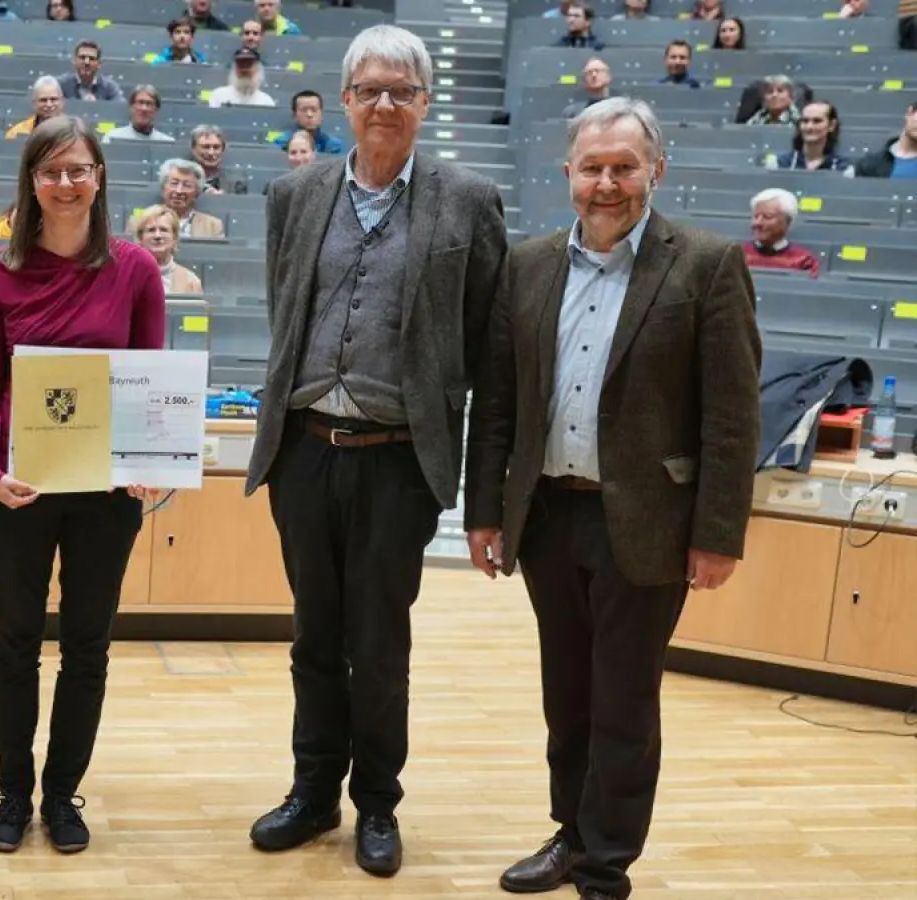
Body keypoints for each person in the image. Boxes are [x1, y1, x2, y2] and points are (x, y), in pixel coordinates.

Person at [463, 97, 761, 900]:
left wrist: (719, 531)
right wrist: (484, 511)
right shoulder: (525, 266)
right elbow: (496, 404)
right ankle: (571, 832)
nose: (607, 183)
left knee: (624, 701)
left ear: (655, 170)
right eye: (592, 168)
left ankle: (606, 866)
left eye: (624, 167)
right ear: (567, 174)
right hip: (550, 516)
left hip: (649, 523)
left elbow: (733, 416)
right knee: (568, 697)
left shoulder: (705, 264)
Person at [244, 24, 506, 878]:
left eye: (402, 90)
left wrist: (483, 491)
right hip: (306, 450)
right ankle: (312, 791)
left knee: (379, 642)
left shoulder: (468, 200)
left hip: (399, 458)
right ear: (345, 101)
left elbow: (489, 352)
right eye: (370, 90)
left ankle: (378, 805)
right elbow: (289, 315)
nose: (385, 103)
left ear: (424, 103)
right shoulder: (297, 195)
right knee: (313, 637)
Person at [0, 114, 165, 856]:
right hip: (22, 488)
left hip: (105, 495)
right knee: (14, 645)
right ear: (32, 182)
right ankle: (12, 793)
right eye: (51, 171)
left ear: (100, 177)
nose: (67, 183)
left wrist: (149, 463)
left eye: (79, 169)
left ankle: (61, 795)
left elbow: (150, 379)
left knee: (87, 647)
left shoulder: (136, 270)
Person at [743, 188, 819, 277]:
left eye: (767, 217)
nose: (757, 223)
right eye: (755, 217)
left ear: (787, 222)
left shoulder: (804, 261)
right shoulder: (738, 256)